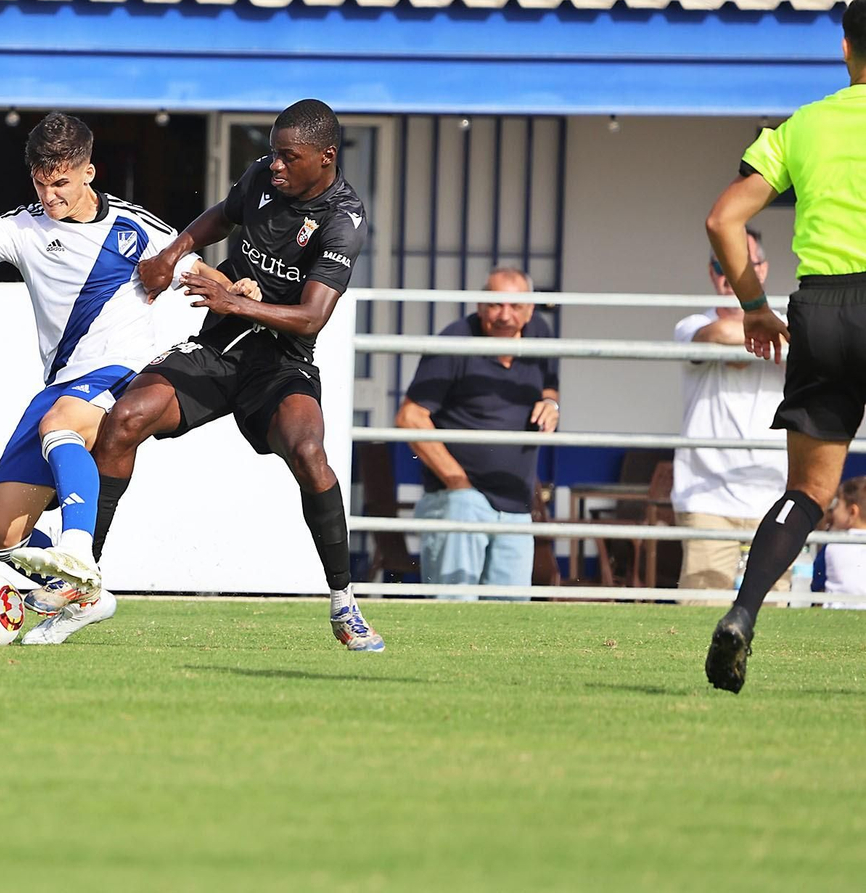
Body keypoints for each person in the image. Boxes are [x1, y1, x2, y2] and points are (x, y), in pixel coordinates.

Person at [0, 111, 256, 646]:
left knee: (62, 422)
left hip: (120, 372)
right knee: (0, 531)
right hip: (60, 383)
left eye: (61, 183)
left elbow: (193, 269)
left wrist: (238, 289)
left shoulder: (134, 227)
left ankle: (79, 554)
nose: (50, 196)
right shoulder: (23, 227)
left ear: (89, 172)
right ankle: (88, 597)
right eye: (40, 182)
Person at [67, 99, 385, 652]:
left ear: (326, 157)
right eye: (273, 154)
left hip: (281, 362)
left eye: (290, 157)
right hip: (218, 348)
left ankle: (344, 603)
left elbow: (312, 316)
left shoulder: (342, 219)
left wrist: (231, 300)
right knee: (124, 420)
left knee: (310, 455)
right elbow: (221, 213)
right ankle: (83, 586)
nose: (276, 165)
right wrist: (173, 252)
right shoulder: (264, 177)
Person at [704, 0, 866, 693]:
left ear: (844, 49)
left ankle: (743, 611)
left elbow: (722, 219)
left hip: (823, 309)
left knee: (807, 490)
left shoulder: (803, 126)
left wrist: (755, 308)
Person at [394, 268, 560, 598]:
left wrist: (551, 404)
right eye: (495, 305)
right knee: (454, 609)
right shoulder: (456, 340)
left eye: (515, 307)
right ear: (480, 305)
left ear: (530, 311)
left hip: (516, 504)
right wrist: (459, 484)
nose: (504, 315)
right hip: (461, 502)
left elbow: (551, 386)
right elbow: (410, 417)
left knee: (510, 619)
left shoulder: (540, 336)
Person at [672, 230, 788, 604]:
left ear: (764, 269)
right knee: (699, 622)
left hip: (772, 496)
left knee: (773, 623)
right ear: (712, 273)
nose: (732, 275)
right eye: (723, 265)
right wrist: (765, 334)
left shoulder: (788, 324)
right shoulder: (691, 325)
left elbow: (811, 350)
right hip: (706, 498)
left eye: (744, 265)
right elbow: (718, 333)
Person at [817, 477, 866, 604]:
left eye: (837, 504)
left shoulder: (834, 544)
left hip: (837, 612)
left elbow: (817, 581)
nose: (832, 511)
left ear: (852, 512)